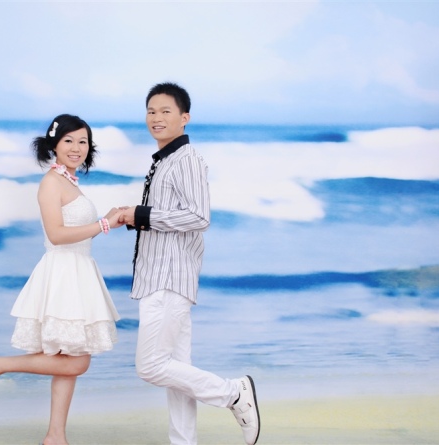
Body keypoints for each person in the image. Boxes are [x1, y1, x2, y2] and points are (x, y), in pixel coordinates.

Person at [0, 114, 123, 445]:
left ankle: (55, 436)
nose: (77, 147)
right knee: (77, 362)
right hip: (63, 273)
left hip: (77, 271)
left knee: (67, 358)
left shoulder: (69, 181)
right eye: (69, 140)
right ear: (54, 145)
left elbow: (77, 230)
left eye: (83, 141)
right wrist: (104, 224)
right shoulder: (51, 182)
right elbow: (56, 234)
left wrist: (109, 220)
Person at [118, 83, 261, 445]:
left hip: (168, 278)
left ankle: (233, 393)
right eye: (151, 111)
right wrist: (132, 215)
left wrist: (141, 215)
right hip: (163, 276)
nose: (156, 117)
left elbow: (199, 216)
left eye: (165, 111)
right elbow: (170, 215)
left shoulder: (187, 159)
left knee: (151, 366)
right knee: (177, 371)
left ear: (185, 118)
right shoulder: (165, 160)